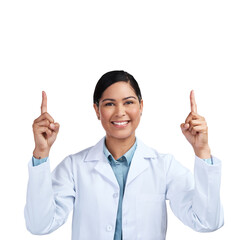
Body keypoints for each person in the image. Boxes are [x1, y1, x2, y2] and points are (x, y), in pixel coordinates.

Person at [24, 70, 224, 240]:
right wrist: (41, 153)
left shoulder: (164, 166)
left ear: (141, 106)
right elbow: (40, 225)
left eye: (128, 102)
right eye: (109, 104)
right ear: (97, 110)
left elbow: (206, 222)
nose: (120, 112)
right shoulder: (74, 167)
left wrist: (202, 151)